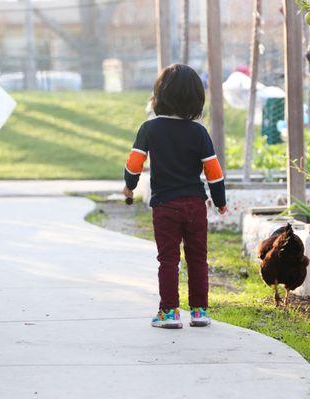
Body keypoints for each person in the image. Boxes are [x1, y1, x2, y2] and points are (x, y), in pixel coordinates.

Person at [122, 64, 227, 329]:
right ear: (196, 99)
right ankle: (200, 311)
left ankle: (169, 312)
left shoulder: (149, 129)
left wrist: (129, 186)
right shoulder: (199, 132)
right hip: (195, 204)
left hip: (165, 206)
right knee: (197, 258)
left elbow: (134, 163)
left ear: (159, 96)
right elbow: (213, 171)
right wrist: (220, 199)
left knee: (168, 259)